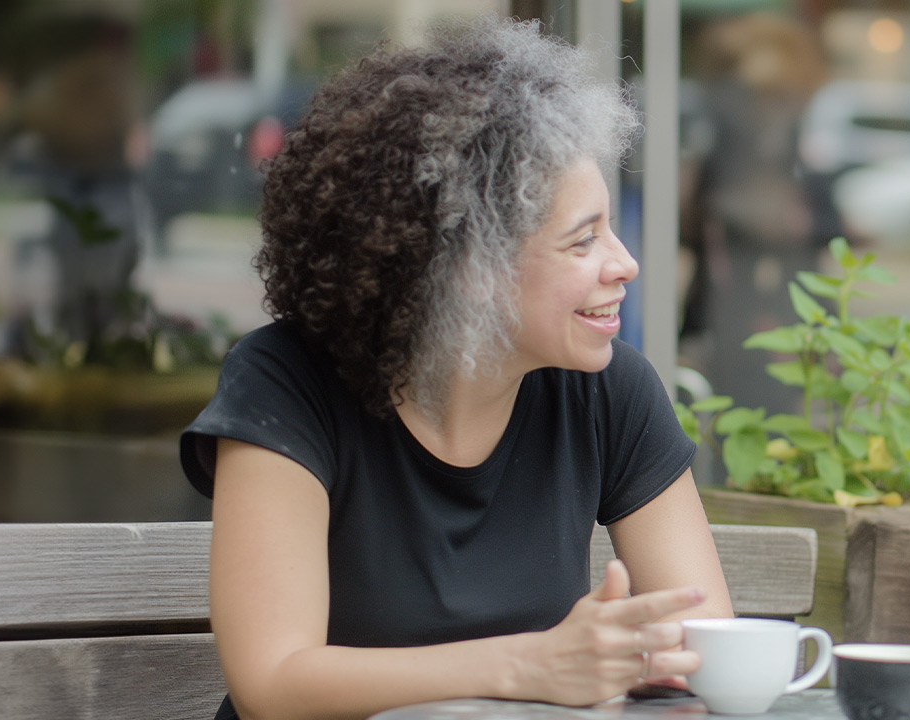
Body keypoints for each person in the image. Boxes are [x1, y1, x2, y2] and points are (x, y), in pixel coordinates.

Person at [180, 19, 733, 720]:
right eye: (582, 239)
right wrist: (528, 665)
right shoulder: (286, 384)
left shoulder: (611, 391)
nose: (624, 264)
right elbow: (274, 684)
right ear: (472, 267)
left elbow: (697, 643)